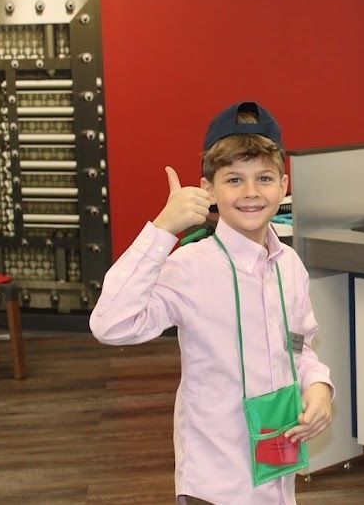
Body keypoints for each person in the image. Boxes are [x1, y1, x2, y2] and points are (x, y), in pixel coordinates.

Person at [90, 101, 333, 504]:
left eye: (264, 178)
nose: (251, 193)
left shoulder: (289, 265)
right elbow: (111, 324)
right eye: (234, 180)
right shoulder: (190, 266)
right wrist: (163, 228)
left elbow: (298, 346)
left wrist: (319, 385)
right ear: (208, 190)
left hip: (276, 470)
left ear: (284, 185)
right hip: (215, 480)